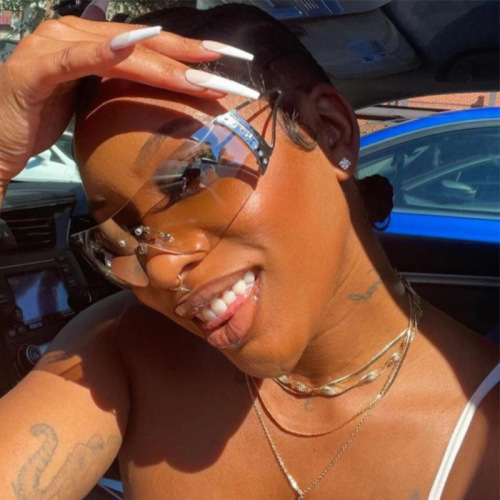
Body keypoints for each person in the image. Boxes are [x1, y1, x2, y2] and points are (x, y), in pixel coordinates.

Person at [0, 4, 498, 500]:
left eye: (192, 176)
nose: (161, 268)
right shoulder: (123, 349)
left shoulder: (485, 432)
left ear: (330, 134)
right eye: (125, 233)